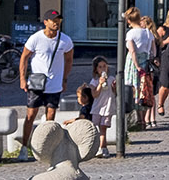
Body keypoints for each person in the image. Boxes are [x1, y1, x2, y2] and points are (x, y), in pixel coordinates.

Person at [21, 10, 75, 160]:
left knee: (50, 117)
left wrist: (64, 78)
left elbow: (69, 60)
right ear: (45, 22)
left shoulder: (65, 40)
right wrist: (22, 79)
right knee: (31, 115)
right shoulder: (36, 38)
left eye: (58, 20)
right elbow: (24, 57)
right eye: (53, 20)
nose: (56, 23)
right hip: (36, 83)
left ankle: (46, 148)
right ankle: (24, 147)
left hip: (55, 83)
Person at [122, 7, 153, 132]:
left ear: (129, 20)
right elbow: (151, 50)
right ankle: (143, 120)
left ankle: (137, 120)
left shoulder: (130, 34)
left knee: (133, 90)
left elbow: (132, 51)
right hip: (145, 61)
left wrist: (136, 65)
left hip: (133, 63)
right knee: (143, 90)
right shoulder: (147, 32)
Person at [84, 56, 115, 157]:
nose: (103, 69)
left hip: (108, 106)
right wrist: (100, 84)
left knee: (103, 128)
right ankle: (97, 148)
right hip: (98, 107)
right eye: (100, 67)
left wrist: (115, 87)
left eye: (104, 66)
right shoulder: (94, 81)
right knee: (95, 128)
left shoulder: (111, 79)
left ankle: (103, 148)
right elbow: (95, 94)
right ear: (96, 69)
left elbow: (115, 93)